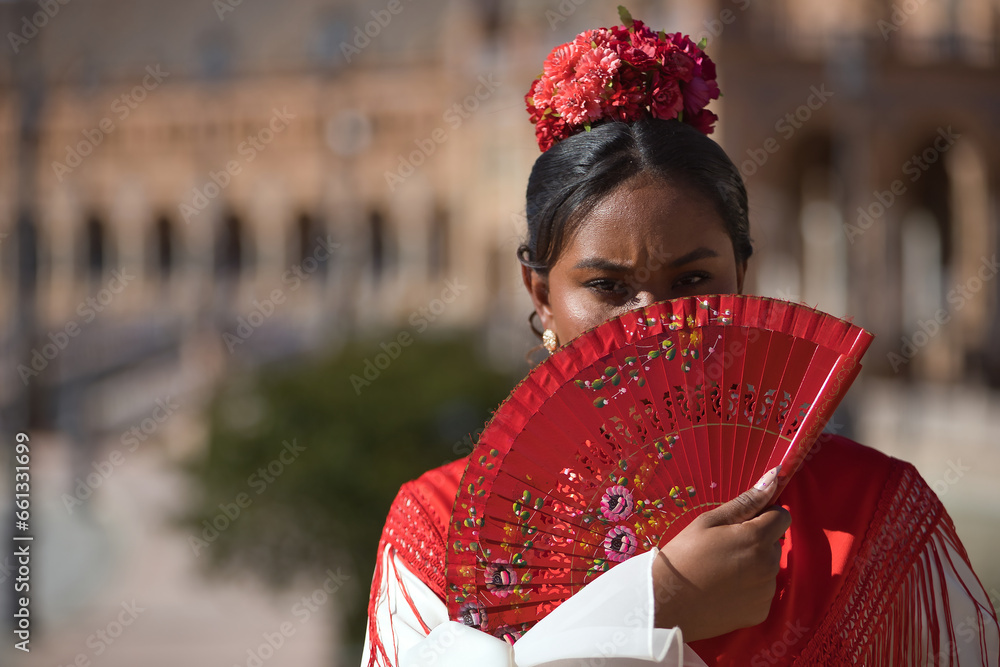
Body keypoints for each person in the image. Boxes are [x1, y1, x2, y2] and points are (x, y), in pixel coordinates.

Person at [362, 14, 1000, 666]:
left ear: (741, 278)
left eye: (692, 278)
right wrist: (652, 605)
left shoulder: (869, 512)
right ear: (540, 294)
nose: (655, 323)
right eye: (608, 286)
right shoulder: (439, 532)